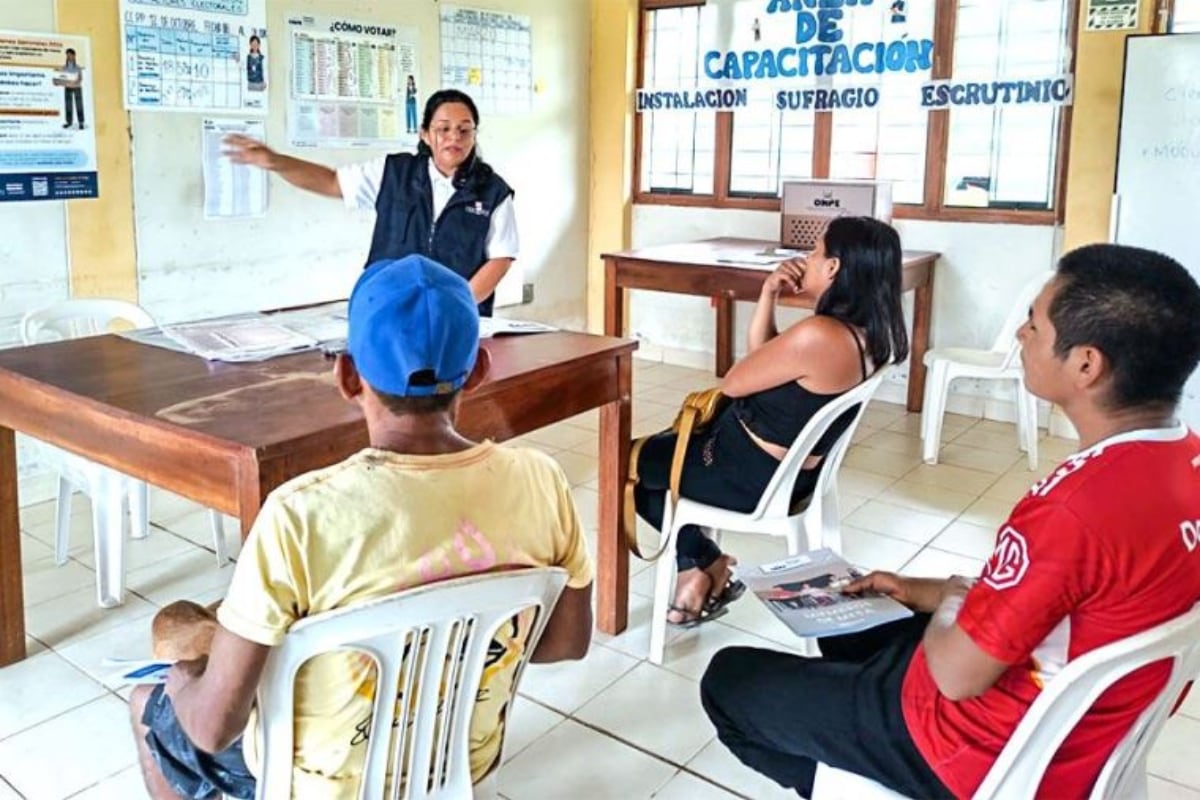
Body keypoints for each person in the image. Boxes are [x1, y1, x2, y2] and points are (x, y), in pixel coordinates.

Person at [700, 244, 1200, 799]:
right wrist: (920, 590)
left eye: (1034, 325)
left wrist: (957, 599)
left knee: (728, 680)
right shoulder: (1184, 461)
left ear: (1086, 364)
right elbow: (1068, 593)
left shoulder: (1074, 509)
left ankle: (857, 783)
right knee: (847, 623)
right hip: (1071, 729)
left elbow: (957, 676)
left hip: (970, 745)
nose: (1021, 335)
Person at [128, 256, 593, 800]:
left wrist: (185, 681)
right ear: (478, 370)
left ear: (347, 376)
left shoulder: (298, 517)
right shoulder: (542, 481)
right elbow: (567, 643)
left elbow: (213, 729)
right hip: (461, 761)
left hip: (326, 787)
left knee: (146, 704)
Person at [633, 216, 908, 626]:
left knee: (628, 465)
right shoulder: (866, 336)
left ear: (833, 267)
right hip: (790, 477)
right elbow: (767, 359)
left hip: (743, 475)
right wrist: (769, 292)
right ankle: (700, 567)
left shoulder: (820, 335)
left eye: (815, 251)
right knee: (654, 455)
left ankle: (702, 563)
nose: (807, 259)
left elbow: (734, 383)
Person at [222, 89, 517, 316]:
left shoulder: (494, 191)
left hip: (457, 319)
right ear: (426, 134)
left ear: (474, 135)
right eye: (444, 129)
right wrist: (275, 162)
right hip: (390, 311)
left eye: (465, 130)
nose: (455, 137)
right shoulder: (394, 172)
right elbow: (331, 181)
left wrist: (457, 305)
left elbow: (501, 258)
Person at [57, 48, 84, 130]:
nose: (69, 57)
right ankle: (69, 122)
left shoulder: (78, 67)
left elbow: (80, 78)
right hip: (68, 87)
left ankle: (81, 122)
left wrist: (75, 82)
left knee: (79, 105)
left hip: (77, 87)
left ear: (74, 56)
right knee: (68, 106)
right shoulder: (64, 67)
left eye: (70, 55)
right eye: (67, 55)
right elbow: (62, 78)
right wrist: (58, 82)